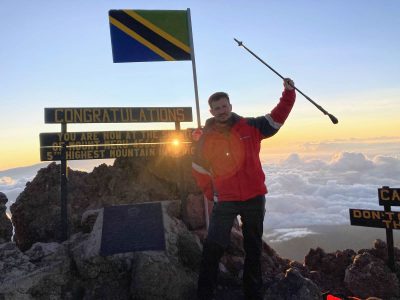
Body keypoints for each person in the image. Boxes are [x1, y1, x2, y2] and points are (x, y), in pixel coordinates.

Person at [192, 78, 296, 300]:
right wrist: (211, 194)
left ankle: (253, 293)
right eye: (217, 108)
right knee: (213, 248)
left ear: (230, 106)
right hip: (226, 200)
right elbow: (198, 167)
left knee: (253, 248)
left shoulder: (250, 126)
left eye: (224, 106)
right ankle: (205, 293)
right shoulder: (206, 138)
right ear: (211, 110)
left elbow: (277, 118)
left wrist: (288, 93)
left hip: (254, 198)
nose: (221, 111)